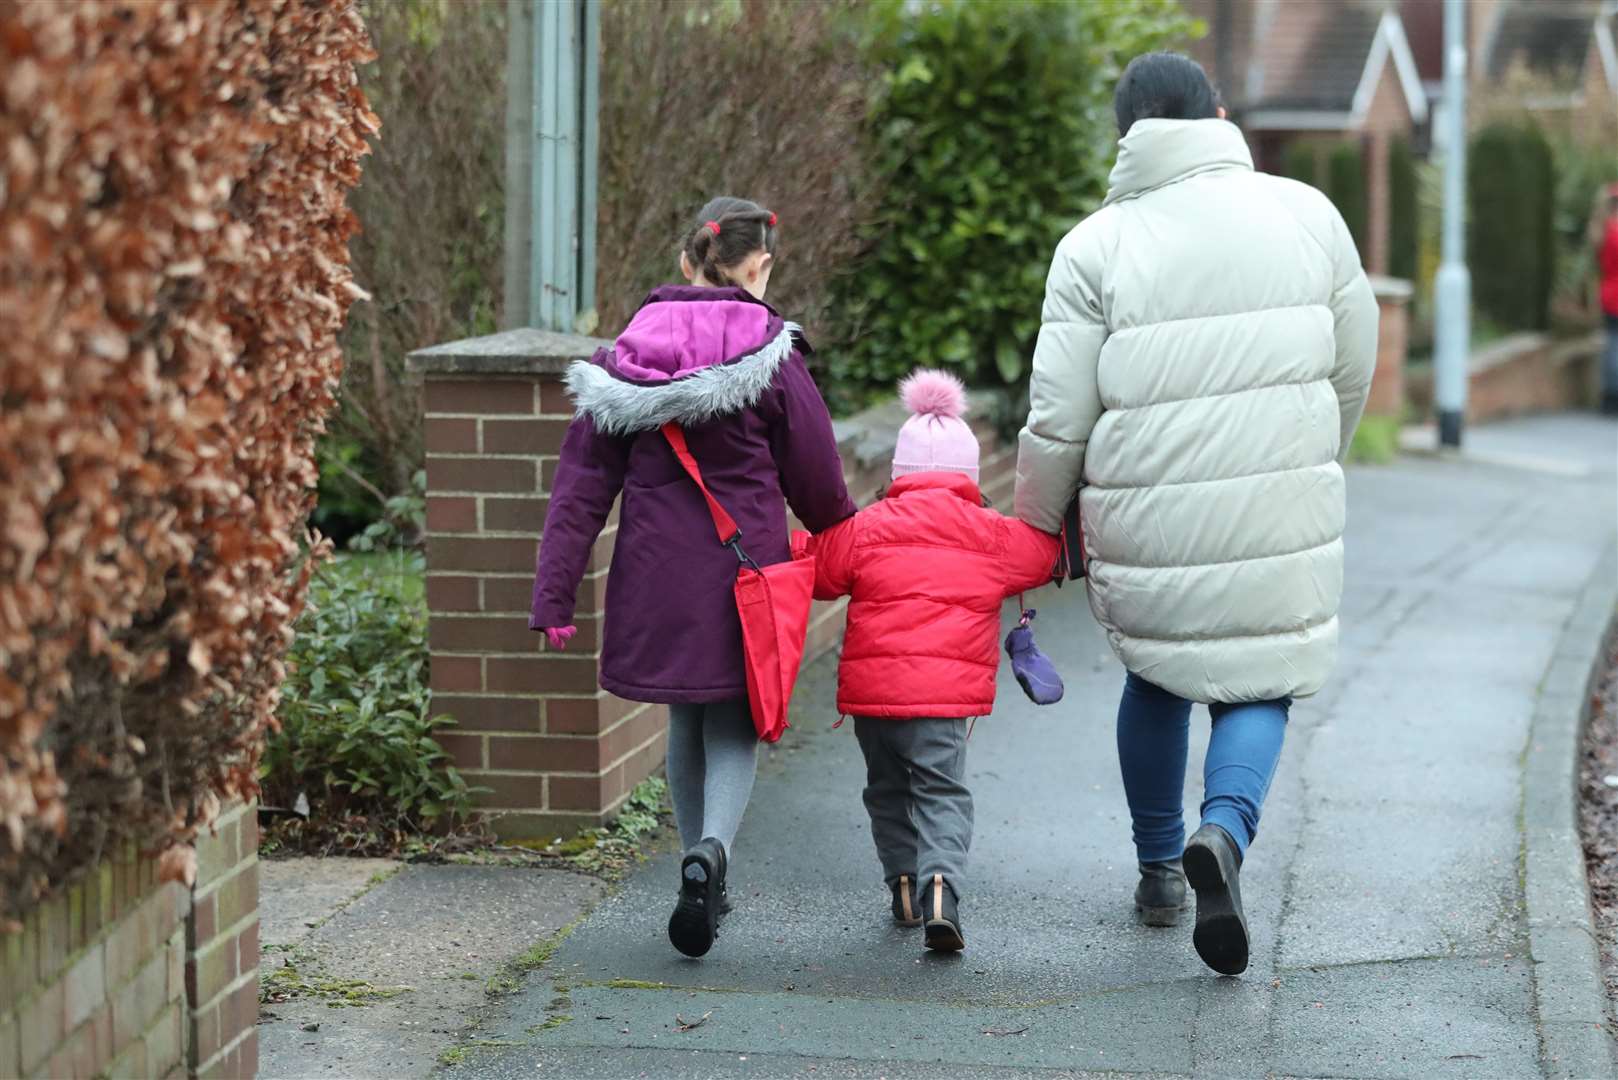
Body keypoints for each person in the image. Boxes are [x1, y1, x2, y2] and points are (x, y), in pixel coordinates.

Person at [1013, 53, 1377, 976]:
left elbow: (1059, 414)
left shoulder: (1096, 244)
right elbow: (1353, 360)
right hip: (1280, 492)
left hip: (1147, 508)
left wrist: (1037, 520)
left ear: (1126, 133)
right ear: (1216, 113)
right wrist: (1316, 450)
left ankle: (1159, 871)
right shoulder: (1308, 215)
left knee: (1159, 675)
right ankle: (1224, 830)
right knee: (1259, 681)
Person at [530, 197, 856, 959]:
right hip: (745, 573)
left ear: (687, 261)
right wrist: (843, 535)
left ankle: (693, 862)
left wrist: (553, 594)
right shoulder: (773, 352)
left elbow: (579, 489)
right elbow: (818, 482)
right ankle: (712, 853)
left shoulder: (625, 355)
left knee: (685, 714)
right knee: (734, 719)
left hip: (653, 570)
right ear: (759, 264)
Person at [802, 370, 1059, 953]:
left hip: (872, 700)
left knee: (886, 790)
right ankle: (940, 885)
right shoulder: (992, 534)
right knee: (942, 791)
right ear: (969, 476)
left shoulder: (863, 529)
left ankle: (901, 886)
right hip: (943, 703)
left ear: (898, 474)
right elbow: (1044, 555)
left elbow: (816, 572)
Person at [1598, 183, 1618, 415]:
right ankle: (1612, 396)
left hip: (1608, 292)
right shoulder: (1613, 232)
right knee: (1614, 347)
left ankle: (1609, 396)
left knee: (1611, 344)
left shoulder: (1602, 229)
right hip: (1614, 294)